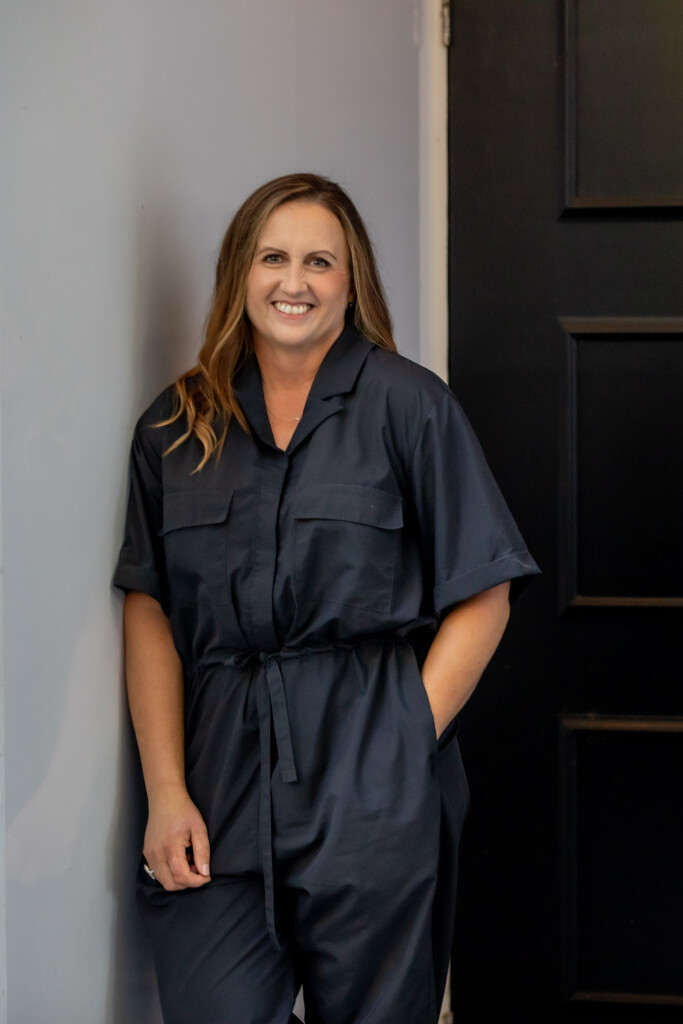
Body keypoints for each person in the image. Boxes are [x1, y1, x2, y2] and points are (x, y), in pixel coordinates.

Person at [114, 172, 539, 1024]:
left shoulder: (408, 405)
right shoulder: (174, 426)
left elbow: (484, 590)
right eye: (272, 258)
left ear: (352, 282)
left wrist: (402, 742)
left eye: (319, 261)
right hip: (218, 782)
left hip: (369, 769)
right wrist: (165, 790)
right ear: (240, 273)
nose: (294, 281)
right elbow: (149, 607)